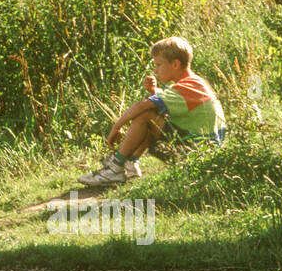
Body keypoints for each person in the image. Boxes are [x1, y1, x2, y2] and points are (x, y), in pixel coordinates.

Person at [78, 36, 226, 187]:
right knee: (154, 113)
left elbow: (143, 107)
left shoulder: (189, 86)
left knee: (146, 115)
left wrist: (117, 127)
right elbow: (165, 106)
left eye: (159, 65)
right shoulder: (193, 84)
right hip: (202, 154)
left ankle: (115, 168)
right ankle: (130, 163)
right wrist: (154, 91)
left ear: (175, 64)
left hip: (198, 157)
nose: (155, 70)